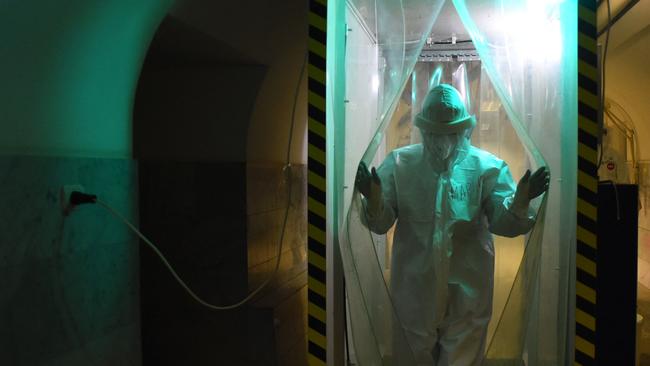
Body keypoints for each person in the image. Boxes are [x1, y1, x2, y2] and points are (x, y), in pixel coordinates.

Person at [356, 84, 549, 366]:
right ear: (424, 130)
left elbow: (502, 222)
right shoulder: (400, 163)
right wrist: (373, 199)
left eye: (449, 133)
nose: (441, 140)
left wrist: (520, 200)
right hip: (414, 287)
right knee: (412, 354)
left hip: (468, 289)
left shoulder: (487, 167)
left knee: (463, 357)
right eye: (435, 133)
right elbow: (381, 223)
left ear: (463, 130)